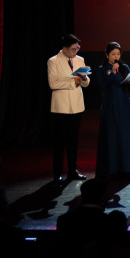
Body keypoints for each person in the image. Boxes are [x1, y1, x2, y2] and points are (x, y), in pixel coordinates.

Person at [47, 33, 91, 183]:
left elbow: (86, 83)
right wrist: (73, 81)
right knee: (59, 142)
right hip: (61, 108)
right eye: (73, 49)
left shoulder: (80, 60)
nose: (76, 51)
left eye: (77, 48)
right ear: (64, 48)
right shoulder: (53, 61)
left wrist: (84, 78)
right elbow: (53, 84)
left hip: (76, 106)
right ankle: (57, 173)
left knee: (73, 141)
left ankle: (73, 170)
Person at [94, 42, 130, 177]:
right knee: (112, 134)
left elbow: (129, 87)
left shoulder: (124, 67)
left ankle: (128, 167)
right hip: (110, 104)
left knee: (125, 134)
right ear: (107, 55)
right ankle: (112, 168)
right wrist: (112, 73)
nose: (116, 56)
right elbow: (103, 85)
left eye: (118, 54)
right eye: (113, 54)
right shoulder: (102, 69)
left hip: (124, 104)